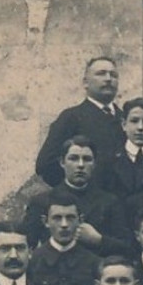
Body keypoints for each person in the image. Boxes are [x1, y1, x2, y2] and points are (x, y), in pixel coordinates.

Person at [35, 55, 124, 187]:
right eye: (101, 74)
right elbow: (45, 164)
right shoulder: (71, 117)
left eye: (113, 75)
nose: (108, 79)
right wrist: (74, 191)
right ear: (85, 82)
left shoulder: (126, 119)